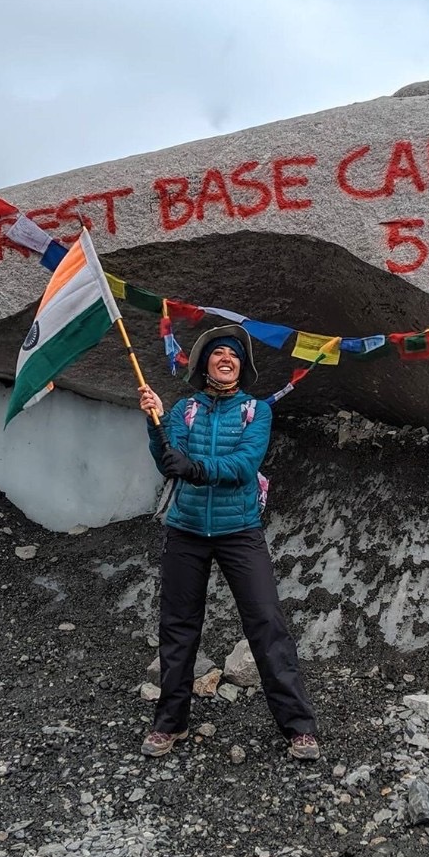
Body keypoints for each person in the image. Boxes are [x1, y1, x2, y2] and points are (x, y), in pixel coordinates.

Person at [138, 324, 319, 760]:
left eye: (234, 355)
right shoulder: (183, 409)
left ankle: (298, 727)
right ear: (205, 364)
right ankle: (170, 723)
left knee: (267, 622)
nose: (226, 359)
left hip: (239, 530)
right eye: (218, 353)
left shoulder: (257, 411)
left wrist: (195, 468)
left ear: (241, 367)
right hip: (185, 529)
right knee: (178, 627)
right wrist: (154, 420)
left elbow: (243, 465)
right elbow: (168, 460)